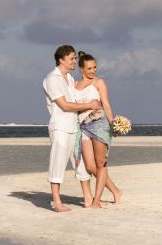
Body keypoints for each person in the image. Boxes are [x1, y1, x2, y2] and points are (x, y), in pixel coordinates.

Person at [43, 45, 101, 212]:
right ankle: (57, 202)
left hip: (74, 126)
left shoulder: (68, 78)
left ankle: (88, 198)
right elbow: (65, 105)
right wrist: (88, 104)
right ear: (61, 60)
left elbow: (74, 104)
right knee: (58, 163)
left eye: (75, 58)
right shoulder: (52, 79)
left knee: (81, 164)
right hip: (60, 127)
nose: (75, 61)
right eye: (72, 58)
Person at [73, 51, 122, 208]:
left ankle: (96, 201)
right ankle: (115, 190)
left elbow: (106, 104)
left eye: (94, 67)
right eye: (89, 68)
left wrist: (113, 123)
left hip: (100, 124)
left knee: (100, 164)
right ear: (81, 69)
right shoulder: (74, 85)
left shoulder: (99, 82)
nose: (93, 71)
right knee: (90, 167)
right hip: (84, 127)